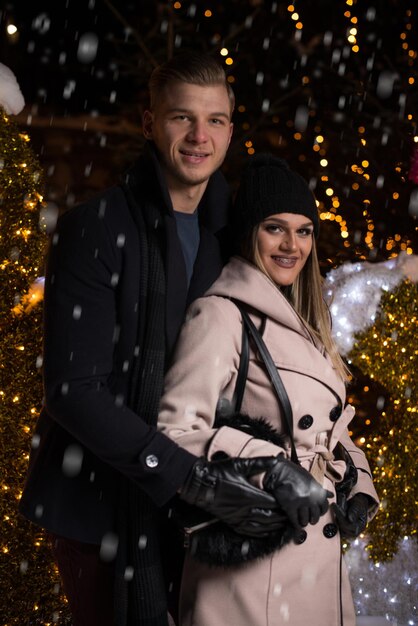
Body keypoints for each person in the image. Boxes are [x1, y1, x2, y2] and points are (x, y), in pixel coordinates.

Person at [18, 55, 284, 626]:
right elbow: (73, 390)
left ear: (232, 132)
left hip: (192, 507)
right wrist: (184, 477)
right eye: (181, 118)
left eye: (215, 121)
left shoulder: (231, 236)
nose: (198, 137)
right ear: (148, 123)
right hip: (99, 501)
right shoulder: (96, 227)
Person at [158, 153, 380, 626]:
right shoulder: (221, 314)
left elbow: (329, 427)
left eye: (303, 231)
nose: (291, 245)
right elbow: (172, 432)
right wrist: (273, 470)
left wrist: (358, 480)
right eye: (274, 228)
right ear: (248, 232)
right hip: (253, 565)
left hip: (316, 558)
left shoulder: (308, 325)